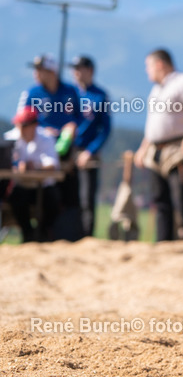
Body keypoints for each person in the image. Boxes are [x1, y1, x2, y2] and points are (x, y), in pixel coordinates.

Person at [134, 49, 183, 241]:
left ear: (159, 64)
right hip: (156, 150)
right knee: (160, 200)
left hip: (177, 150)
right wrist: (143, 148)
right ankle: (164, 242)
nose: (146, 71)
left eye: (148, 66)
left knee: (182, 198)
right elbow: (153, 125)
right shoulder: (157, 89)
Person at [17, 54, 83, 241]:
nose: (36, 74)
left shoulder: (70, 91)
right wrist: (43, 130)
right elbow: (23, 122)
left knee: (68, 196)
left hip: (65, 152)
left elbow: (79, 118)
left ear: (51, 71)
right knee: (38, 194)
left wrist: (71, 128)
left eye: (40, 70)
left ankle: (66, 234)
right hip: (39, 152)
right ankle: (39, 234)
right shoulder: (32, 93)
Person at [69, 55, 111, 237]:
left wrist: (90, 151)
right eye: (74, 68)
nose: (76, 72)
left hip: (89, 153)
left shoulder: (100, 96)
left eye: (80, 68)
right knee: (69, 196)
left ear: (90, 71)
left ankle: (86, 236)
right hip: (67, 151)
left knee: (87, 198)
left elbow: (105, 129)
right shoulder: (68, 93)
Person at [7, 106, 61, 242]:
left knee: (53, 201)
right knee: (15, 199)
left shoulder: (45, 138)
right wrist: (16, 166)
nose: (21, 129)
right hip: (21, 187)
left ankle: (41, 233)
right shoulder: (10, 138)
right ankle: (28, 234)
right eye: (19, 125)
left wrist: (35, 166)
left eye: (24, 125)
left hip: (43, 187)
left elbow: (52, 164)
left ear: (34, 125)